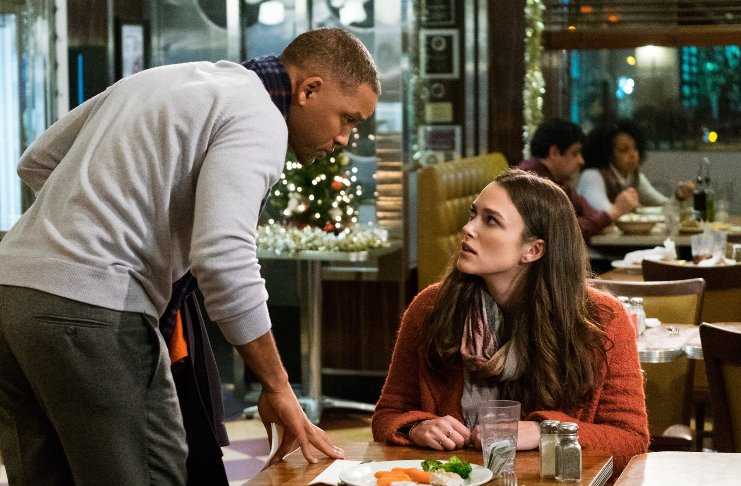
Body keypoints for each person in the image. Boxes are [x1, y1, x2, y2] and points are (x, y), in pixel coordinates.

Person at [0, 27, 378, 485]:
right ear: (309, 90)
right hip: (91, 307)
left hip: (11, 293)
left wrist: (94, 222)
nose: (345, 138)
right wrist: (278, 386)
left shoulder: (167, 79)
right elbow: (223, 255)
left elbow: (37, 160)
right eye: (347, 119)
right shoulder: (259, 117)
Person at [372, 170, 649, 475]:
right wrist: (416, 427)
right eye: (473, 214)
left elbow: (631, 441)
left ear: (533, 250)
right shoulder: (431, 307)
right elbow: (388, 414)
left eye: (490, 220)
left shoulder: (601, 318)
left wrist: (546, 432)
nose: (468, 228)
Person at [518, 118, 639, 240]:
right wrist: (615, 211)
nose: (581, 161)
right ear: (554, 152)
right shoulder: (532, 182)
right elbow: (565, 231)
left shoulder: (558, 180)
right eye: (575, 153)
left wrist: (606, 216)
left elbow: (589, 213)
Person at [578, 120, 695, 213]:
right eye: (624, 150)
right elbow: (603, 213)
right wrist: (631, 208)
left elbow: (663, 204)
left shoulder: (634, 176)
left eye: (635, 148)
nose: (633, 155)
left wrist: (679, 196)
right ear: (607, 153)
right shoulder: (592, 176)